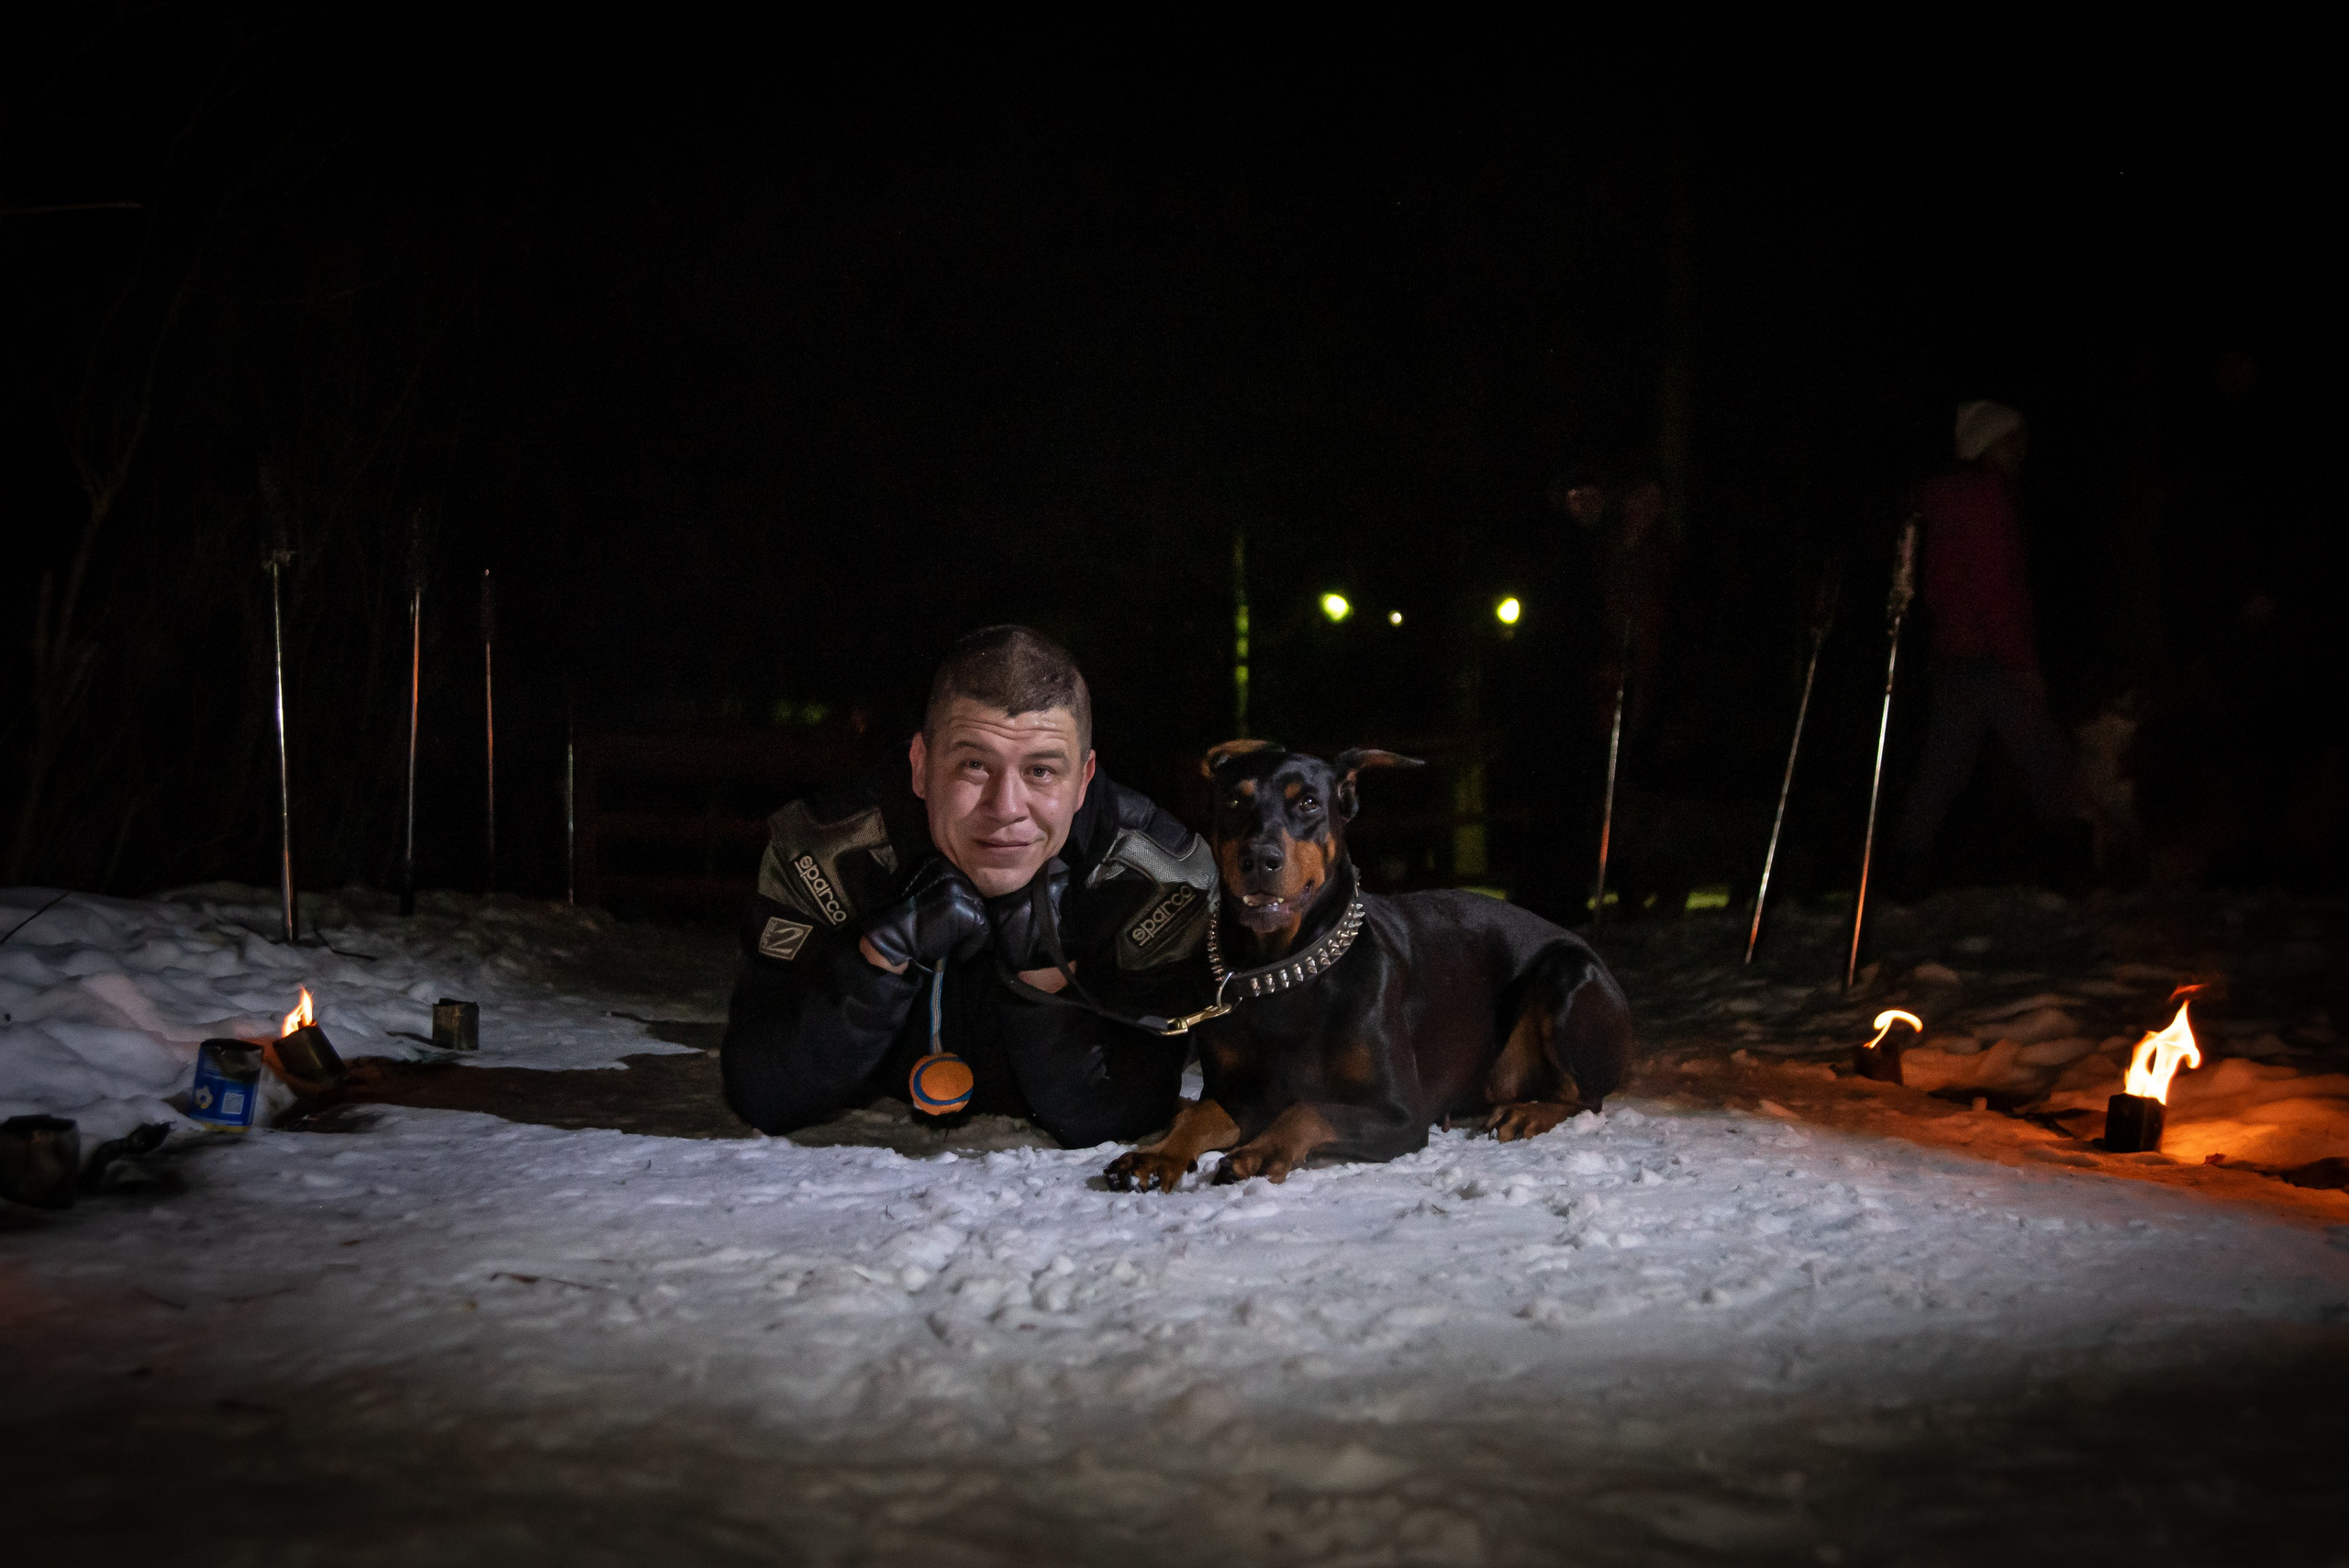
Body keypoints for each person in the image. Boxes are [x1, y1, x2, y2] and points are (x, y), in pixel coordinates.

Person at [721, 625, 1215, 1146]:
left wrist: (1044, 973)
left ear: (1083, 780)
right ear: (920, 766)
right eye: (974, 765)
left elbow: (1129, 1106)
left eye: (1042, 771)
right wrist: (876, 963)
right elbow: (761, 1091)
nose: (1006, 808)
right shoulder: (830, 851)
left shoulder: (1155, 878)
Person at [1891, 400, 2088, 892]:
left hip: (1955, 651)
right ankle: (2070, 874)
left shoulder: (1939, 502)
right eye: (2012, 441)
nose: (2021, 451)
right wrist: (2023, 663)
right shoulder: (1986, 499)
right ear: (1988, 445)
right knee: (2046, 759)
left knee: (1943, 766)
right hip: (1989, 657)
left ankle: (1904, 870)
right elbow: (1997, 589)